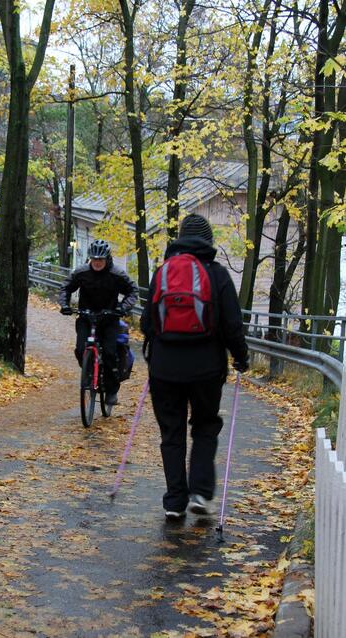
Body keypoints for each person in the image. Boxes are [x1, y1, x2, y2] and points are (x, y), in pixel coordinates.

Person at [140, 214, 248, 520]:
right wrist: (241, 357)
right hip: (206, 369)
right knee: (204, 426)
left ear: (180, 239)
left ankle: (174, 502)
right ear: (209, 242)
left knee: (171, 433)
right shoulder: (218, 274)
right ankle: (200, 493)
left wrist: (156, 349)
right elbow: (232, 324)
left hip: (164, 369)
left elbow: (147, 322)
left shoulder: (163, 272)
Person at [59, 239, 139, 405]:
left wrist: (123, 307)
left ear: (107, 259)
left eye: (100, 260)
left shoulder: (116, 275)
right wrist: (65, 304)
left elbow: (132, 291)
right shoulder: (81, 273)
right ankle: (88, 372)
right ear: (90, 259)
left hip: (109, 319)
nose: (97, 263)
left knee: (110, 353)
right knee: (81, 349)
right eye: (94, 259)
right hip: (86, 317)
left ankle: (111, 390)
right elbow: (66, 287)